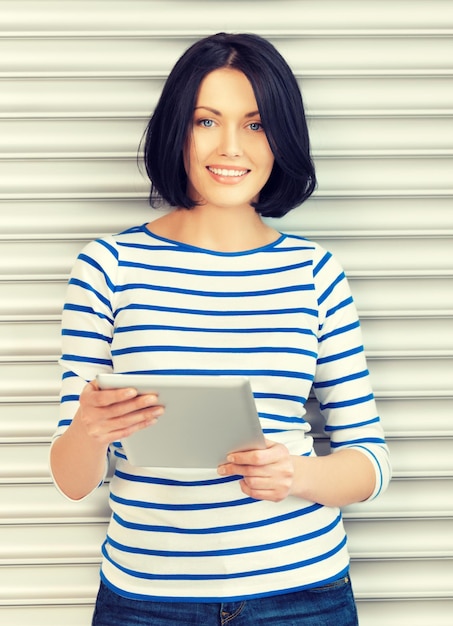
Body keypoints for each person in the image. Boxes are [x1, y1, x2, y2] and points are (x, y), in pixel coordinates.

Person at [50, 33, 391, 625]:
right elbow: (73, 480)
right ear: (177, 131)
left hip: (302, 596)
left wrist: (296, 474)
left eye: (256, 125)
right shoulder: (107, 266)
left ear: (282, 139)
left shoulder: (315, 273)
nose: (230, 147)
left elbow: (369, 462)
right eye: (207, 121)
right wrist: (88, 429)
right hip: (146, 600)